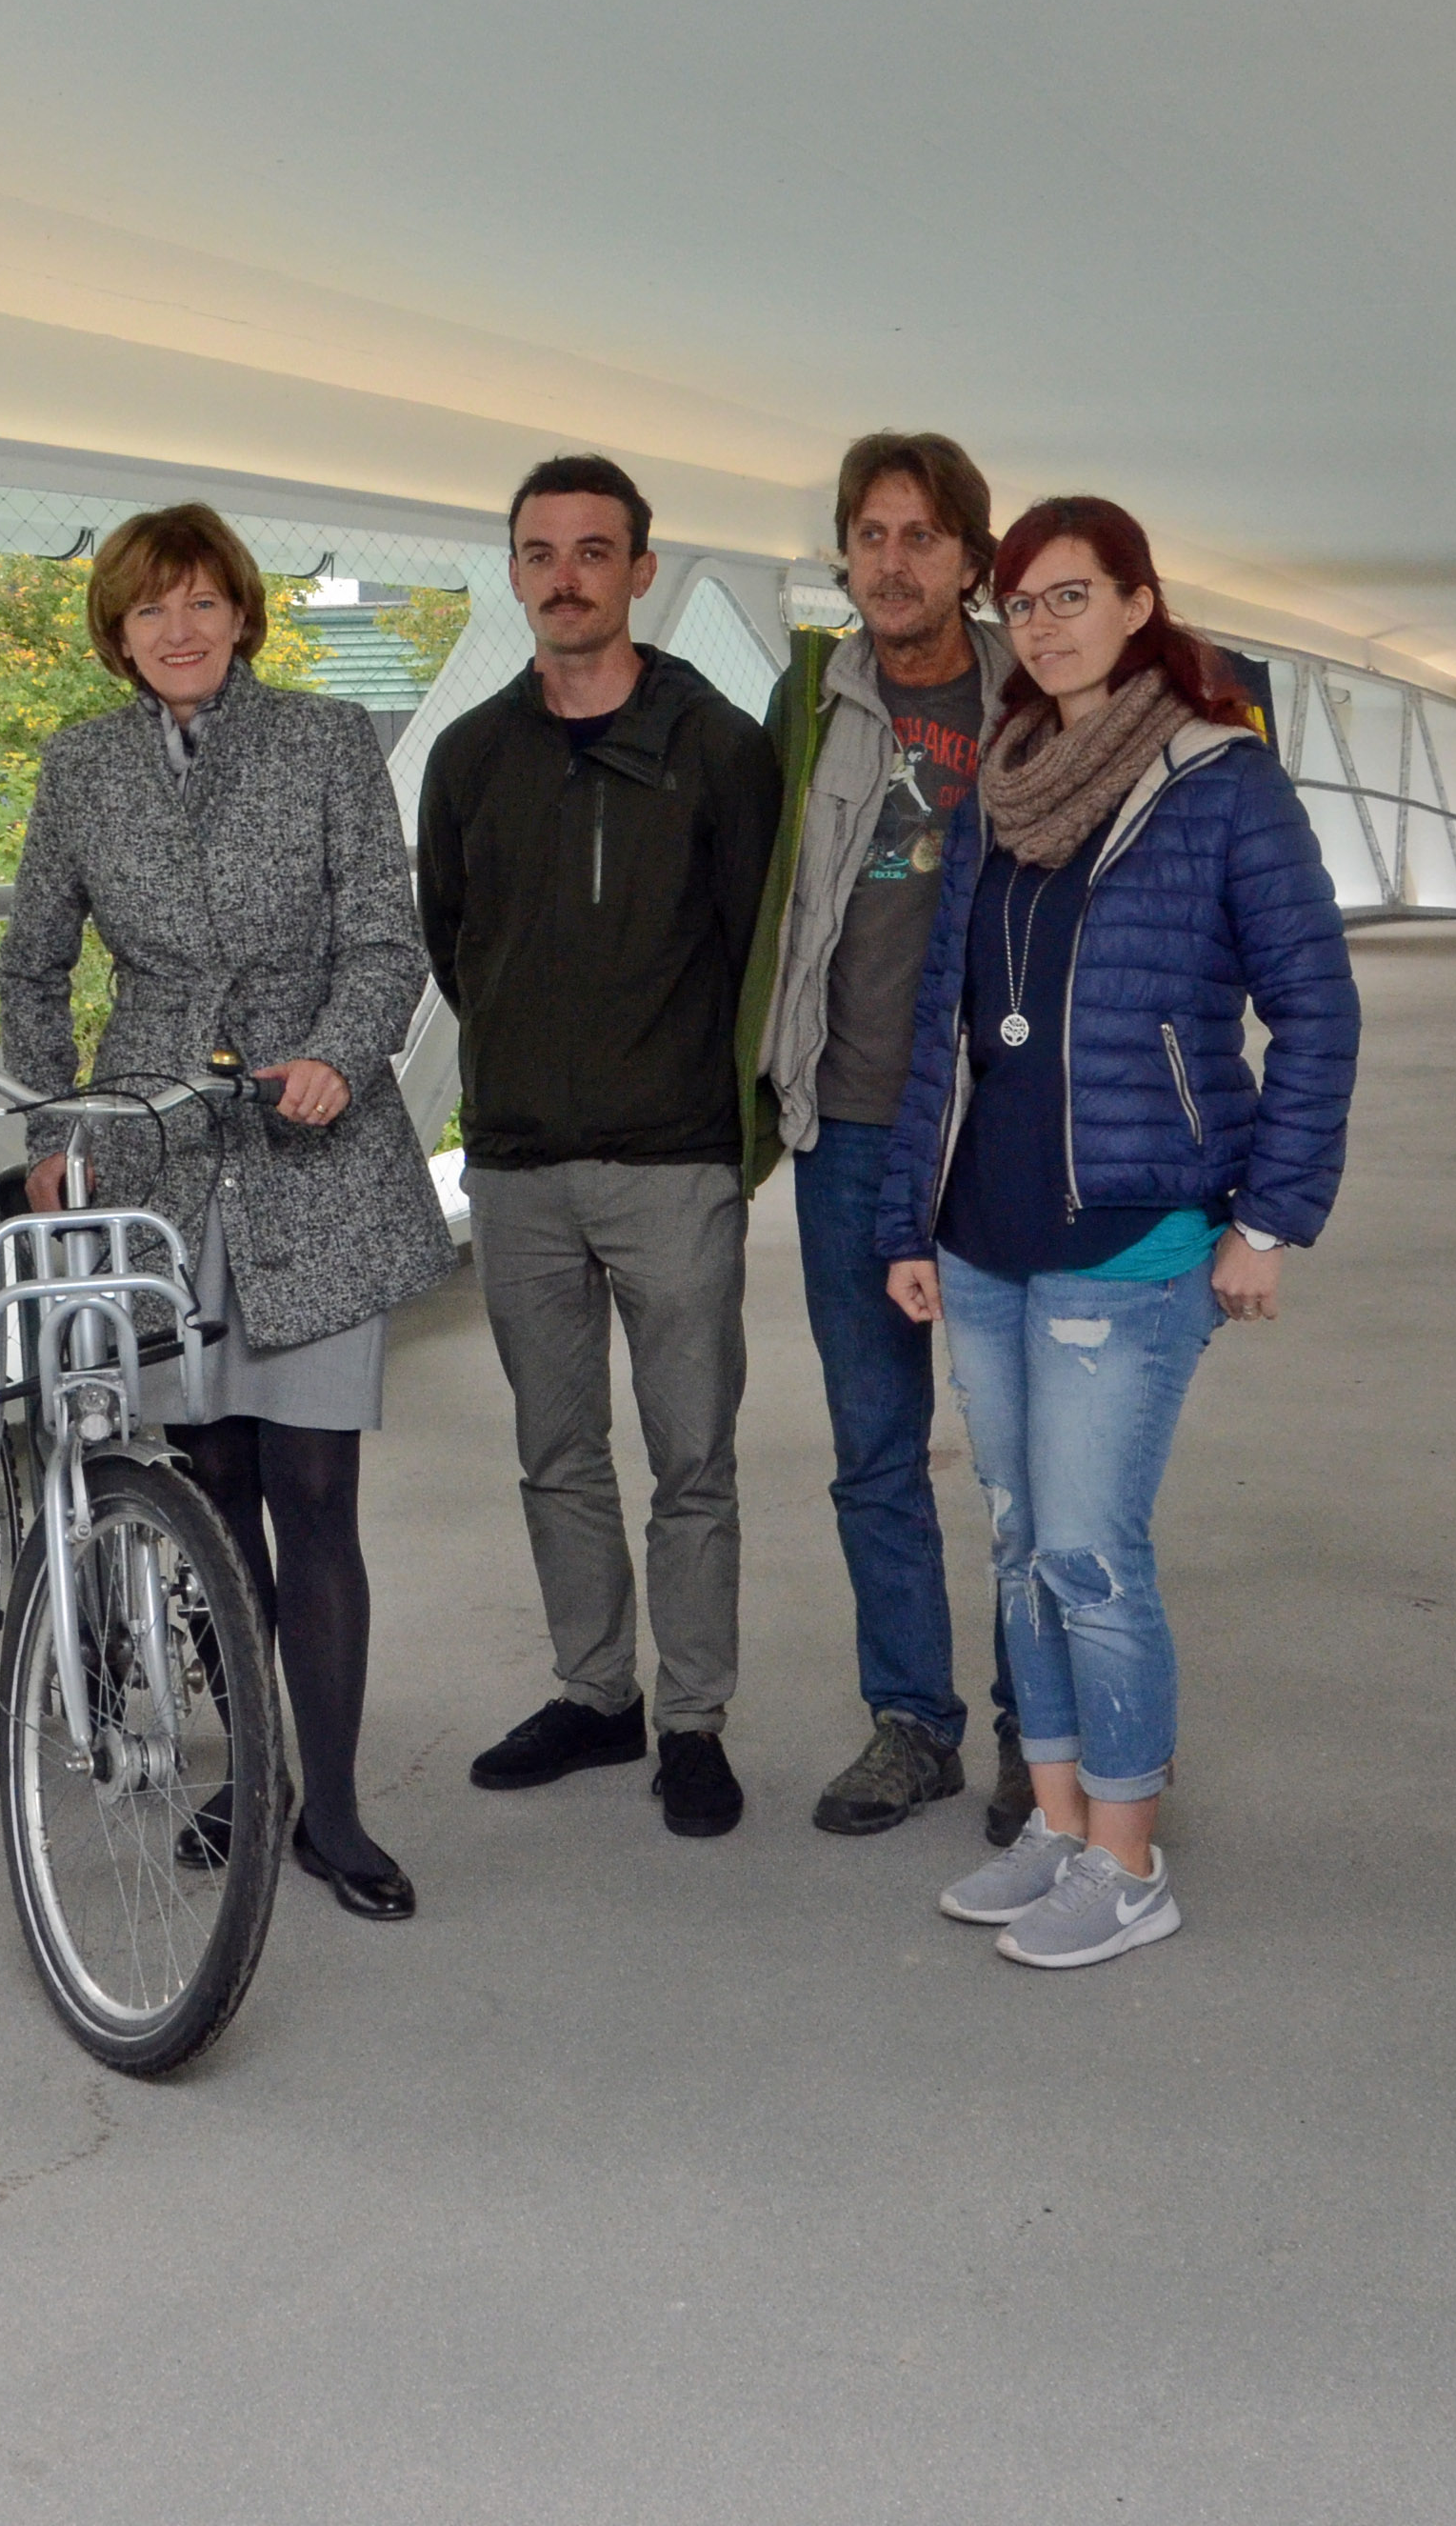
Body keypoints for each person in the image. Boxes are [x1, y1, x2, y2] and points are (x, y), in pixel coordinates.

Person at [873, 494, 1357, 1969]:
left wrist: (1268, 1221)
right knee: (1021, 1544)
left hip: (1136, 1235)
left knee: (1090, 1551)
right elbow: (944, 1024)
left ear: (1141, 606)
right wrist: (912, 1215)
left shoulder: (1220, 785)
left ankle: (1131, 1864)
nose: (1045, 624)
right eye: (1023, 605)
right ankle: (1061, 1824)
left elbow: (1317, 1009)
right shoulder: (1003, 784)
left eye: (1072, 595)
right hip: (987, 1232)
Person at [0, 506, 459, 1920]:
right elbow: (29, 967)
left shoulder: (324, 742)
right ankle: (248, 1772)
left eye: (202, 603)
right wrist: (58, 1120)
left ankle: (335, 1807)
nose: (179, 630)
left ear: (244, 614)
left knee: (315, 1489)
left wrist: (340, 1049)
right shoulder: (79, 764)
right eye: (150, 611)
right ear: (118, 634)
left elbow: (389, 927)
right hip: (154, 1153)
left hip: (312, 1146)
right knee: (210, 1489)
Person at [414, 454, 785, 1838]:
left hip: (674, 1163)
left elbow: (753, 954)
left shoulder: (719, 748)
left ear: (640, 570)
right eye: (538, 552)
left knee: (692, 1456)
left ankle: (692, 1719)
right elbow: (458, 945)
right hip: (517, 1167)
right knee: (556, 1449)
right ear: (514, 571)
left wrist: (704, 1111)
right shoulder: (469, 757)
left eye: (593, 551)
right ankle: (595, 1693)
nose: (563, 577)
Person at [744, 433, 1026, 1839]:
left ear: (972, 559)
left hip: (1005, 1132)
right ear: (844, 554)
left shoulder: (1036, 698)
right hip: (849, 1122)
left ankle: (1044, 1730)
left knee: (1026, 1455)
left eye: (923, 536)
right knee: (874, 1445)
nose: (894, 561)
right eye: (871, 534)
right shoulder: (814, 699)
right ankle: (911, 1722)